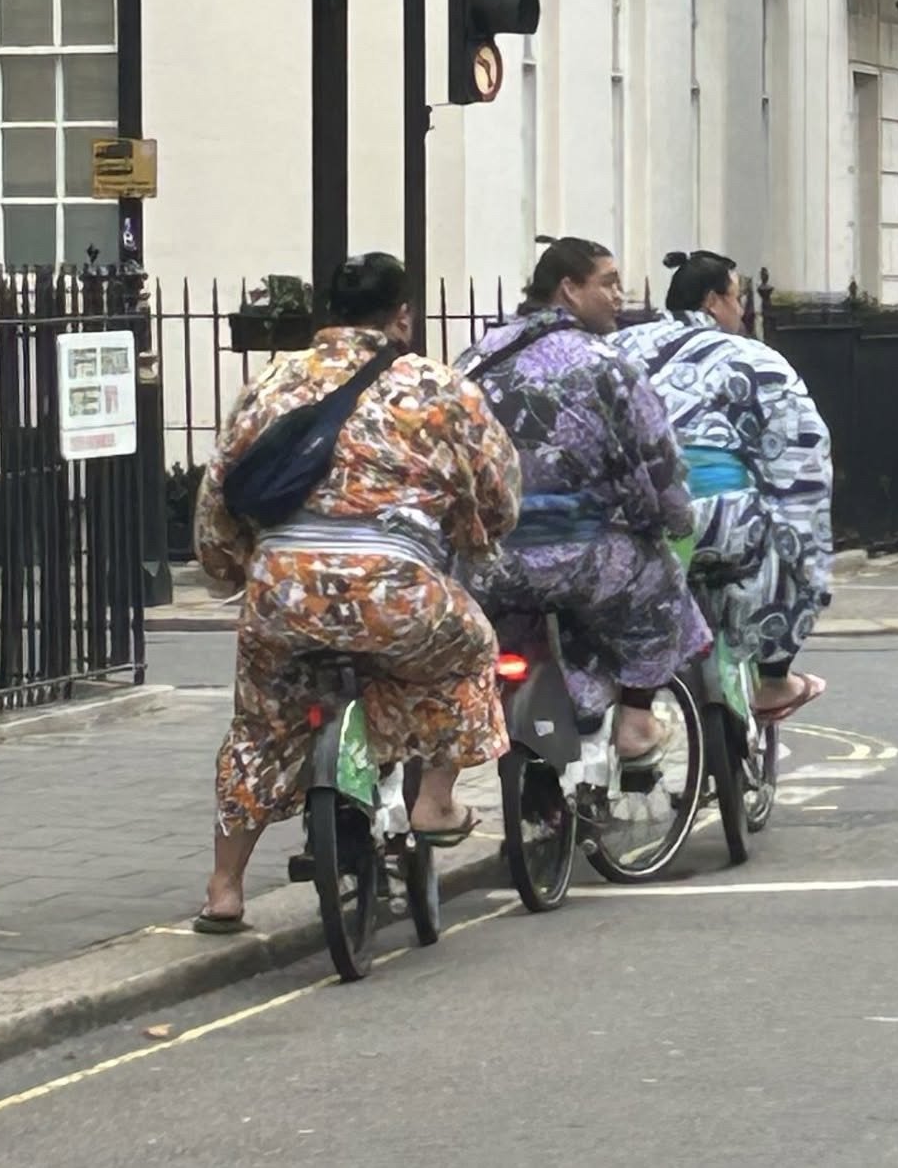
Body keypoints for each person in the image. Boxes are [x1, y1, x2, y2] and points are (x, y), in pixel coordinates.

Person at [193, 253, 521, 932]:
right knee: (470, 647)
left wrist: (228, 568)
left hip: (282, 588)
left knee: (260, 727)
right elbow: (494, 489)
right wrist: (477, 535)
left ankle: (224, 888)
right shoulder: (434, 385)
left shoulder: (273, 380)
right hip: (394, 588)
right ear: (401, 314)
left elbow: (218, 488)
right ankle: (434, 802)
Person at [456, 236, 710, 759]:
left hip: (485, 563)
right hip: (583, 559)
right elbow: (656, 459)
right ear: (569, 289)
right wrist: (672, 519)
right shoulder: (605, 364)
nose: (619, 296)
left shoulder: (473, 359)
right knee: (660, 588)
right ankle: (637, 721)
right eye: (609, 283)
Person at [614, 249, 833, 723]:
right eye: (739, 299)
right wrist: (798, 526)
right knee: (786, 548)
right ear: (714, 301)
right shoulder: (753, 356)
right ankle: (774, 679)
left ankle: (630, 706)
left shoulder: (619, 347)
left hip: (628, 522)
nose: (743, 311)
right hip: (716, 518)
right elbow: (801, 450)